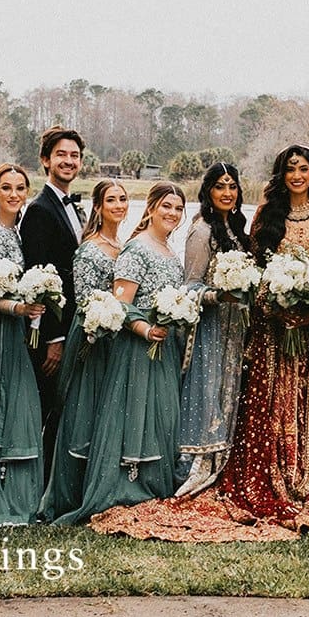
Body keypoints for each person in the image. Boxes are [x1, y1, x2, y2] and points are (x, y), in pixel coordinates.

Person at [217, 145, 309, 531]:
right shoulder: (267, 214)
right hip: (272, 325)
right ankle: (271, 474)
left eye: (303, 169)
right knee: (271, 401)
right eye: (290, 169)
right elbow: (256, 269)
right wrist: (277, 305)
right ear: (281, 175)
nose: (297, 175)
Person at [68, 182, 190, 524]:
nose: (172, 213)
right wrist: (146, 329)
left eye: (178, 208)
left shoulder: (168, 250)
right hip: (138, 350)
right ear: (150, 208)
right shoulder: (136, 249)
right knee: (135, 416)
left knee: (162, 417)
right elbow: (121, 305)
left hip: (164, 348)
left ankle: (157, 486)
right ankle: (125, 488)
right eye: (166, 206)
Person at [39, 178, 129, 522]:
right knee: (84, 409)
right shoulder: (90, 248)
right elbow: (84, 300)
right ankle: (71, 491)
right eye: (111, 200)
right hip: (92, 336)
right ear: (99, 207)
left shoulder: (121, 244)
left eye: (122, 199)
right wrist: (102, 323)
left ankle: (104, 481)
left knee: (107, 411)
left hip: (116, 336)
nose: (119, 205)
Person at [174, 162, 253, 497]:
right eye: (220, 186)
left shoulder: (233, 229)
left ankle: (222, 471)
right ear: (207, 191)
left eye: (232, 186)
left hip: (235, 332)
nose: (227, 193)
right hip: (209, 331)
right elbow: (189, 288)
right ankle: (194, 473)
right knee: (207, 397)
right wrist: (220, 295)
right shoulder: (202, 231)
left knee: (228, 396)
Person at [0, 163, 47, 526]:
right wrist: (18, 307)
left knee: (19, 401)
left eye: (20, 188)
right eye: (6, 188)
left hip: (16, 329)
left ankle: (17, 491)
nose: (14, 194)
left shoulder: (18, 235)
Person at [19, 127, 85, 479]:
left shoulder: (75, 207)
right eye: (61, 154)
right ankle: (42, 485)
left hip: (75, 325)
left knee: (64, 408)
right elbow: (39, 280)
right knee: (49, 408)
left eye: (74, 156)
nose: (68, 161)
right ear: (46, 160)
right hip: (52, 333)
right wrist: (53, 340)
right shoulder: (40, 211)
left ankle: (58, 481)